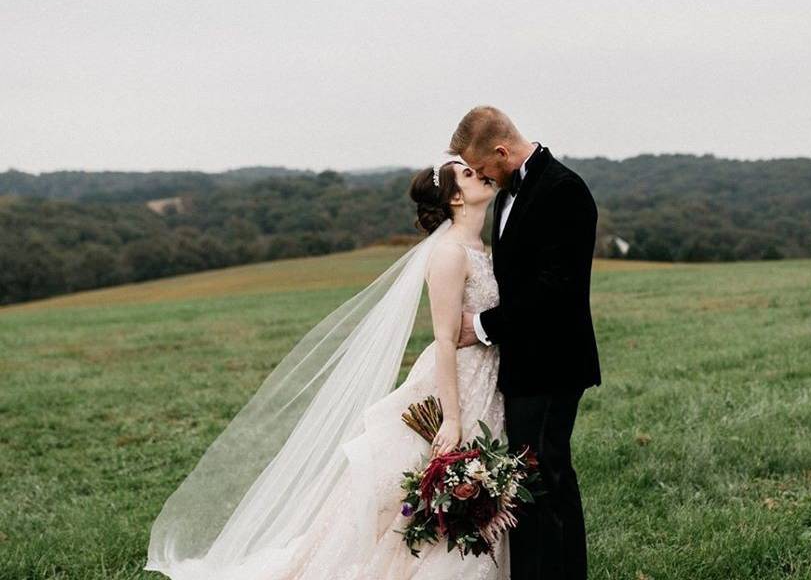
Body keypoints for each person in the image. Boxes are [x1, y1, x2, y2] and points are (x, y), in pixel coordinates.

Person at [145, 159, 510, 579]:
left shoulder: (481, 248)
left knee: (476, 488)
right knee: (416, 490)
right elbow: (445, 339)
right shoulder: (447, 254)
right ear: (456, 197)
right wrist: (451, 416)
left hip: (486, 379)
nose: (479, 172)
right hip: (455, 383)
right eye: (466, 173)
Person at [449, 106, 602, 580]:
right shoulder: (504, 198)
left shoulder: (564, 190)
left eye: (482, 167)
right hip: (522, 365)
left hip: (554, 364)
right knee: (529, 482)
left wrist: (481, 326)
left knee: (547, 477)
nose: (480, 177)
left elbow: (555, 288)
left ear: (501, 150)